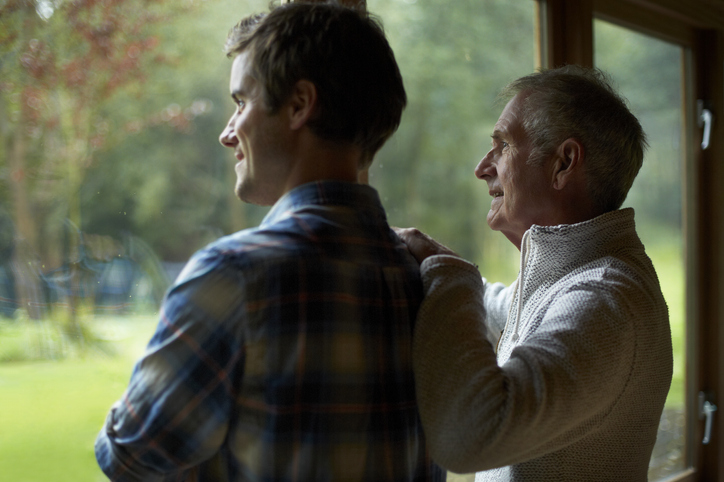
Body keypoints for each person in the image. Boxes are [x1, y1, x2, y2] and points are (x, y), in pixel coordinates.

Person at [95, 2, 444, 481]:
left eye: (241, 102)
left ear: (299, 104)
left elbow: (130, 457)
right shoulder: (426, 279)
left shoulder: (234, 276)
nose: (227, 132)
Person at [396, 65, 673, 481]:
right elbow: (496, 306)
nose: (481, 167)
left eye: (503, 145)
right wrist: (434, 260)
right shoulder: (575, 280)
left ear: (564, 163)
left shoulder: (606, 300)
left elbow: (472, 435)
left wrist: (451, 278)